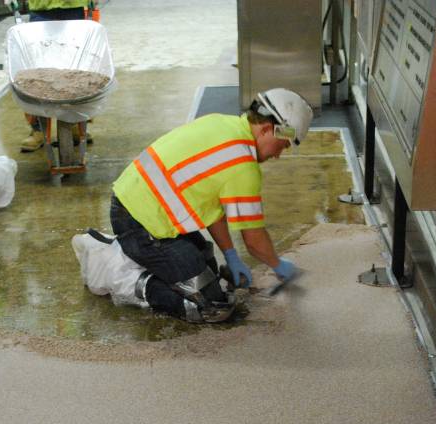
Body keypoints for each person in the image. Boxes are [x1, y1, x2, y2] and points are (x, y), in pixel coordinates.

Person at [109, 88, 312, 323]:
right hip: (141, 226)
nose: (278, 155)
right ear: (267, 129)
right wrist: (278, 266)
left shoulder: (222, 123)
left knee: (209, 268)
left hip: (136, 205)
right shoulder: (243, 165)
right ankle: (134, 283)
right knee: (213, 306)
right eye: (283, 145)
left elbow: (211, 207)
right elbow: (254, 239)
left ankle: (156, 265)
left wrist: (231, 255)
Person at [19, 0, 97, 153]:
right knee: (37, 71)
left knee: (76, 67)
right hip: (40, 8)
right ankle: (38, 129)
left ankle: (76, 122)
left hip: (73, 6)